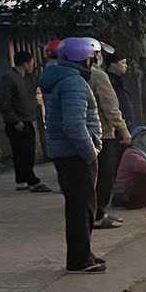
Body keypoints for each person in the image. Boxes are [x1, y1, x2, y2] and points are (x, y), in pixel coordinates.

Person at [39, 37, 104, 274]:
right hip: (75, 153)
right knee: (81, 206)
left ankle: (84, 253)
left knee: (80, 205)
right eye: (93, 57)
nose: (95, 61)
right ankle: (79, 259)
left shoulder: (61, 78)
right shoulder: (73, 82)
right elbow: (74, 125)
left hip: (66, 152)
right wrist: (90, 152)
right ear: (84, 59)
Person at [87, 42, 131, 229]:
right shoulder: (97, 76)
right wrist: (123, 130)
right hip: (104, 133)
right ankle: (98, 214)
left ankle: (98, 212)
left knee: (93, 176)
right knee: (106, 175)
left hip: (85, 134)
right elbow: (110, 107)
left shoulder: (66, 75)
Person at [0, 50, 52, 193]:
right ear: (25, 63)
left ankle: (22, 180)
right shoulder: (9, 78)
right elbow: (5, 102)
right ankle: (31, 180)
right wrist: (15, 120)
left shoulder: (28, 78)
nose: (33, 65)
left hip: (27, 118)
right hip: (17, 121)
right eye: (32, 62)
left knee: (25, 152)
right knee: (24, 152)